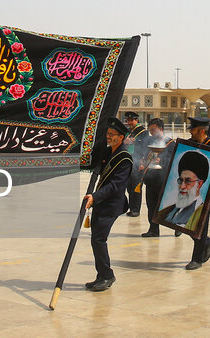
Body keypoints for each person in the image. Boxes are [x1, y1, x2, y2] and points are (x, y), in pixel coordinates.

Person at [84, 117, 133, 291]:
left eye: (112, 135)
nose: (109, 137)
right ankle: (101, 275)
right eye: (108, 134)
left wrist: (95, 197)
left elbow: (115, 186)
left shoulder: (125, 159)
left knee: (98, 239)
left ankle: (107, 276)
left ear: (121, 137)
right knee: (96, 239)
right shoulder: (108, 151)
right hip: (101, 202)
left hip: (111, 205)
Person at [184, 115, 210, 270]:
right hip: (187, 191)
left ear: (201, 131)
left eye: (193, 129)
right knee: (185, 222)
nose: (191, 132)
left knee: (200, 225)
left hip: (204, 192)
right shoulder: (189, 144)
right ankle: (206, 242)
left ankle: (197, 259)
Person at [157, 150, 210, 230]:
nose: (182, 186)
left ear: (199, 184)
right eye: (180, 180)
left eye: (188, 181)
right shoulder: (166, 211)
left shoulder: (200, 212)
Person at [140, 118, 174, 238]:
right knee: (151, 205)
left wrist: (162, 160)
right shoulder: (150, 142)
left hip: (164, 179)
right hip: (151, 179)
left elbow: (173, 159)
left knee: (167, 205)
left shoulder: (170, 143)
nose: (152, 133)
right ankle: (153, 229)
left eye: (154, 130)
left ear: (161, 129)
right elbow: (145, 155)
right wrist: (143, 162)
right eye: (150, 131)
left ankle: (177, 226)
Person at [124, 112, 148, 217]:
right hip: (129, 159)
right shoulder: (128, 131)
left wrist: (134, 140)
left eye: (131, 120)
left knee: (136, 186)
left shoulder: (143, 132)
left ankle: (136, 209)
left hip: (138, 161)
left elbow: (146, 144)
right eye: (128, 120)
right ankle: (131, 207)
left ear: (136, 120)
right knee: (129, 186)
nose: (129, 122)